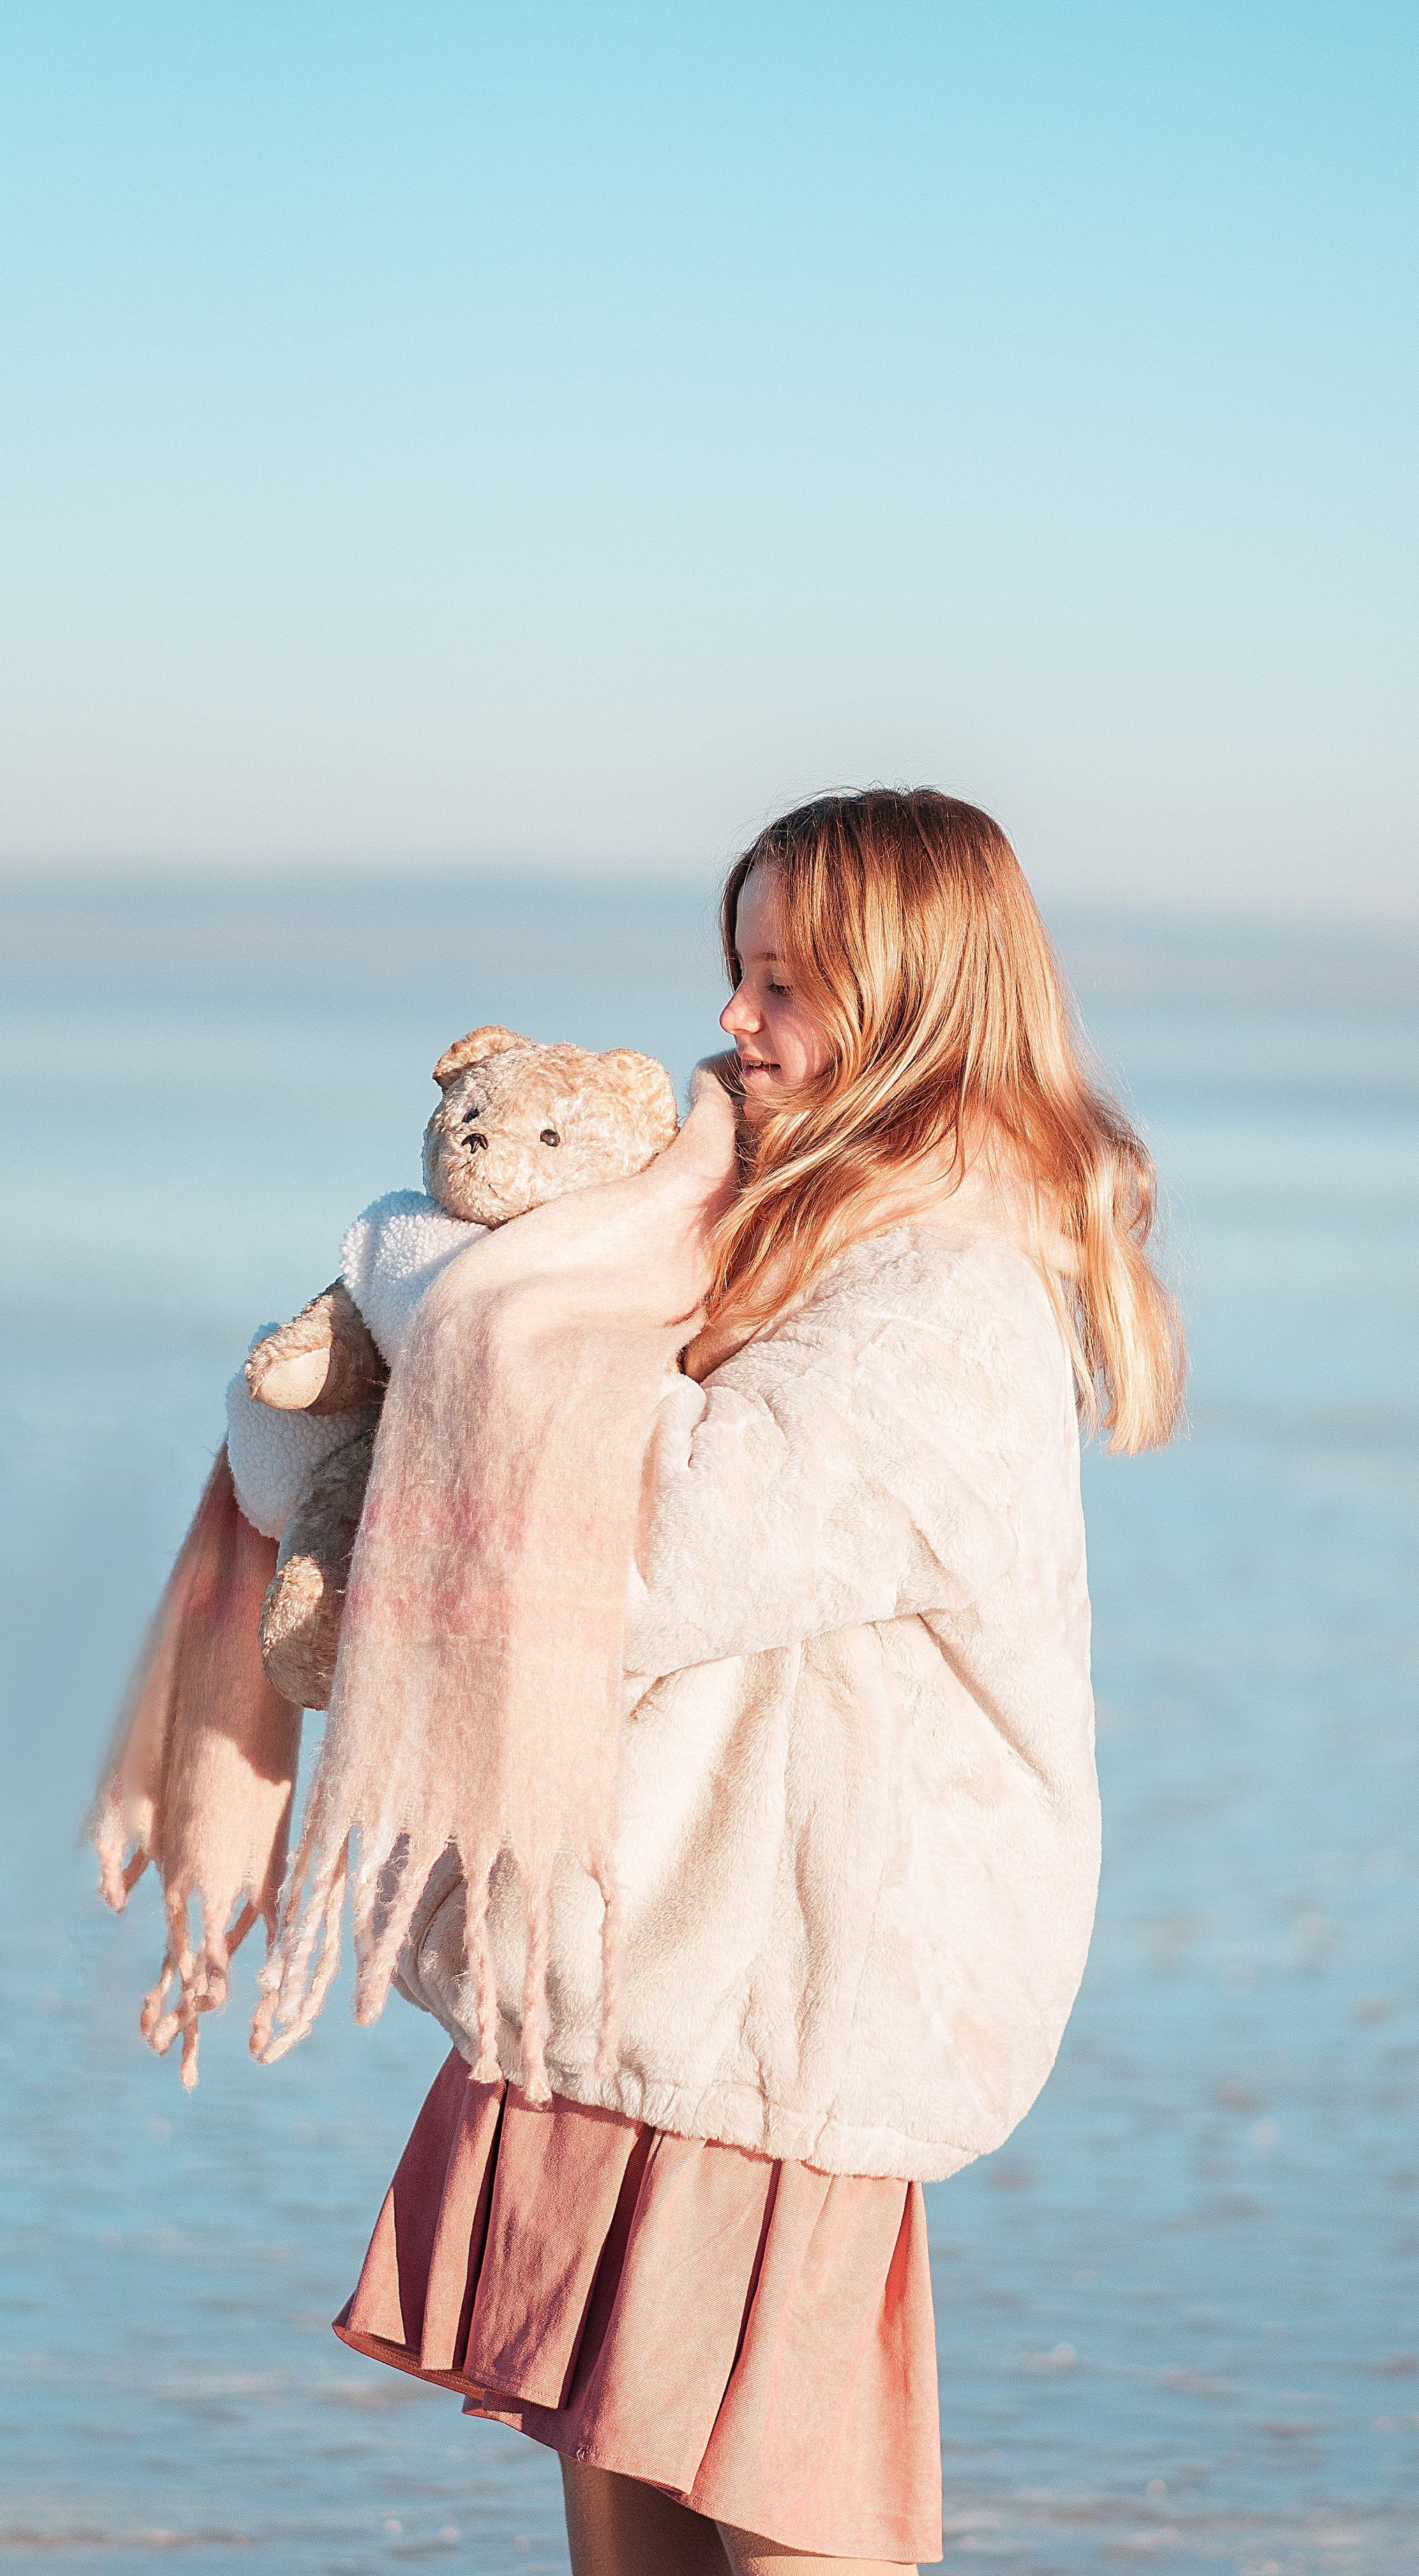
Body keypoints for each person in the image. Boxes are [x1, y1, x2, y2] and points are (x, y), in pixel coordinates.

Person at [332, 788, 1184, 2575]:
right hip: (641, 1974)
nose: (730, 1017)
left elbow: (649, 1550)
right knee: (626, 2538)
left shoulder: (944, 1298)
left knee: (789, 2539)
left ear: (916, 1008)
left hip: (778, 2008)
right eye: (737, 968)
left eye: (784, 982)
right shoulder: (779, 1228)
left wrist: (461, 1304)